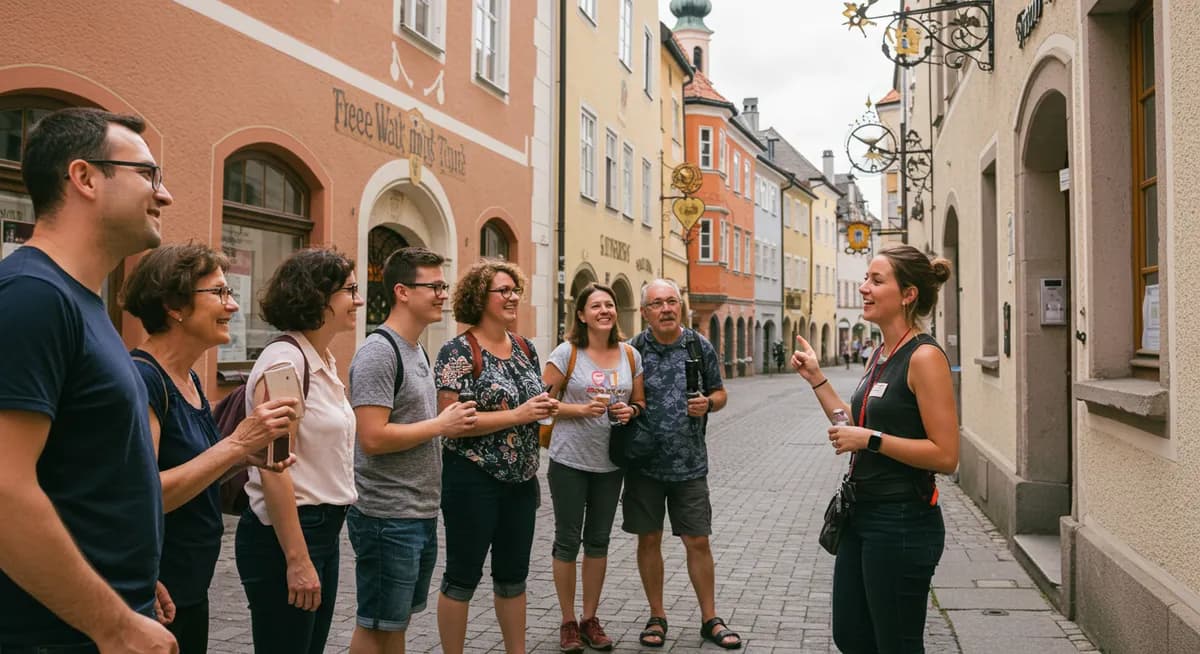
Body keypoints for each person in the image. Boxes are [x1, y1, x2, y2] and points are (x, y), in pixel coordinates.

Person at [0, 107, 179, 652]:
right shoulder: (33, 296)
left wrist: (120, 575)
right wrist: (114, 624)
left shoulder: (80, 301)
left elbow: (79, 472)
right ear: (84, 178)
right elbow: (4, 488)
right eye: (147, 174)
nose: (164, 194)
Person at [122, 243, 299, 653]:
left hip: (191, 584)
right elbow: (145, 494)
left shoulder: (188, 378)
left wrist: (246, 454)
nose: (232, 305)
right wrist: (236, 443)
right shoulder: (142, 379)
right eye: (219, 293)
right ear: (174, 306)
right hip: (157, 591)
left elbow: (195, 469)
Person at [790, 245, 958, 653]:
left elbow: (946, 455)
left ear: (908, 294)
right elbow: (854, 421)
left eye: (876, 281)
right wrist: (816, 378)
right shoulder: (881, 354)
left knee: (896, 645)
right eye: (866, 278)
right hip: (861, 516)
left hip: (902, 521)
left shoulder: (924, 357)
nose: (864, 288)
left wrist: (871, 441)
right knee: (851, 636)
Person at [346, 247, 477, 654]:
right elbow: (371, 437)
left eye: (444, 285)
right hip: (387, 516)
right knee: (375, 625)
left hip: (417, 511)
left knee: (394, 624)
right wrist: (442, 425)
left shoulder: (416, 348)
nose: (442, 293)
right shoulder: (378, 352)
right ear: (402, 291)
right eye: (433, 286)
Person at [234, 248, 363, 654]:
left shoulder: (319, 357)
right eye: (350, 290)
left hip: (320, 530)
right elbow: (275, 468)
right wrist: (297, 559)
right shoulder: (285, 363)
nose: (358, 299)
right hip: (288, 535)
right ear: (316, 297)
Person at [433, 259, 557, 654]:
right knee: (462, 576)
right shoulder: (457, 350)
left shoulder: (524, 347)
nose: (513, 297)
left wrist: (544, 409)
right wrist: (519, 415)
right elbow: (453, 422)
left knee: (513, 577)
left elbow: (533, 403)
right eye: (503, 290)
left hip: (521, 481)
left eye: (515, 289)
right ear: (478, 298)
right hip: (472, 480)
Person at [622, 280, 741, 649]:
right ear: (645, 312)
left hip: (690, 464)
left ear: (681, 306)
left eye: (672, 301)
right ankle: (657, 616)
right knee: (649, 538)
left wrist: (710, 403)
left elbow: (720, 392)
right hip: (644, 465)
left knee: (698, 541)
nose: (666, 308)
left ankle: (710, 618)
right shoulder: (633, 352)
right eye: (657, 303)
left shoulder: (698, 345)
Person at [541, 282, 644, 653]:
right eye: (596, 305)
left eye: (610, 305)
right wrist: (579, 410)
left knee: (598, 541)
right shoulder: (566, 353)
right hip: (569, 460)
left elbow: (640, 402)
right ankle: (568, 622)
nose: (605, 310)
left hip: (610, 463)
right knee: (568, 540)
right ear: (581, 315)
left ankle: (590, 618)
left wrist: (628, 410)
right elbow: (541, 403)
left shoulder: (630, 355)